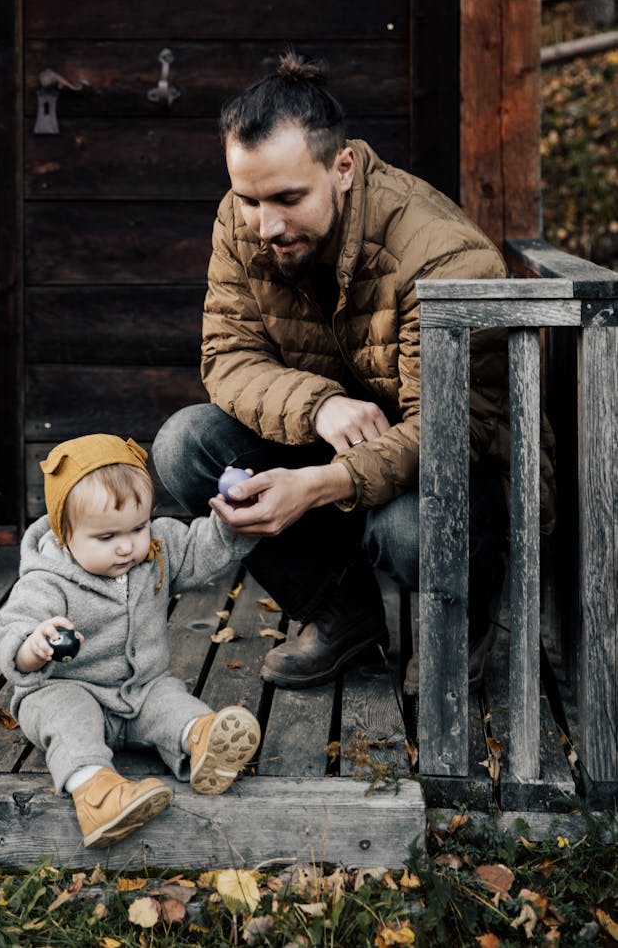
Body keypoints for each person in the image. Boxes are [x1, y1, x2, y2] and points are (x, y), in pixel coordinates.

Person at [153, 51, 555, 692]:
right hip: (332, 440)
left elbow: (450, 432)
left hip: (449, 462)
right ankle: (343, 614)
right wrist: (317, 406)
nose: (267, 226)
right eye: (249, 199)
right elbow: (227, 355)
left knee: (405, 529)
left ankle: (467, 616)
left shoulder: (444, 254)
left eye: (288, 198)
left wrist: (315, 486)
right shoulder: (244, 220)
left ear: (342, 168)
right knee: (184, 443)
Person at [0, 434, 260, 850]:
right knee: (70, 718)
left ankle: (203, 739)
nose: (126, 546)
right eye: (105, 537)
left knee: (169, 701)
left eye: (137, 527)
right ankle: (97, 792)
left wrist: (232, 519)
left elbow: (200, 550)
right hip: (66, 689)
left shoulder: (154, 550)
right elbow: (12, 627)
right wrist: (34, 646)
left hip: (141, 689)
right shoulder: (47, 579)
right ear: (65, 535)